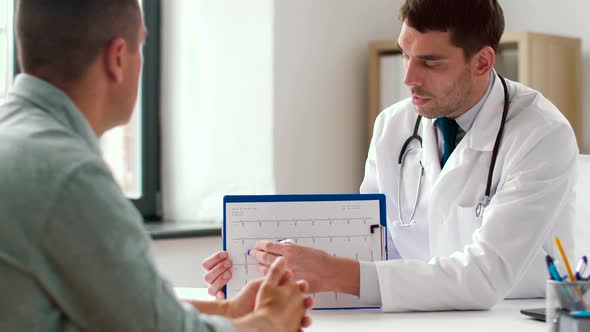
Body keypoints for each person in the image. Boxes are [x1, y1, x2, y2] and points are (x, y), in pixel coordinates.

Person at [203, 0, 578, 311]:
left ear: (482, 62)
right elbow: (372, 247)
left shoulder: (541, 134)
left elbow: (482, 278)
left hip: (505, 318)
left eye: (430, 63)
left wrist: (333, 271)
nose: (409, 78)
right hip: (413, 317)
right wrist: (264, 268)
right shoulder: (393, 127)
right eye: (405, 55)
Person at [0, 0, 313, 331]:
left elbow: (123, 303)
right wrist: (273, 320)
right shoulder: (68, 176)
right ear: (118, 58)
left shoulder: (18, 142)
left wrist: (229, 310)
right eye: (141, 45)